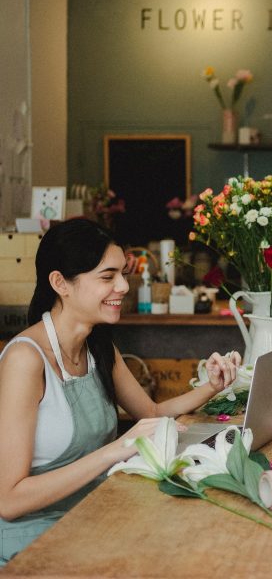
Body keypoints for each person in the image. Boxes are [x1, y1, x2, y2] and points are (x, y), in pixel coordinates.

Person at [0, 218, 241, 565]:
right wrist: (115, 451)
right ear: (60, 283)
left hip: (91, 517)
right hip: (33, 539)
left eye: (122, 274)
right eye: (107, 276)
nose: (123, 287)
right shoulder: (26, 359)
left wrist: (212, 386)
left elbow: (153, 414)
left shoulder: (97, 346)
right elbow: (8, 500)